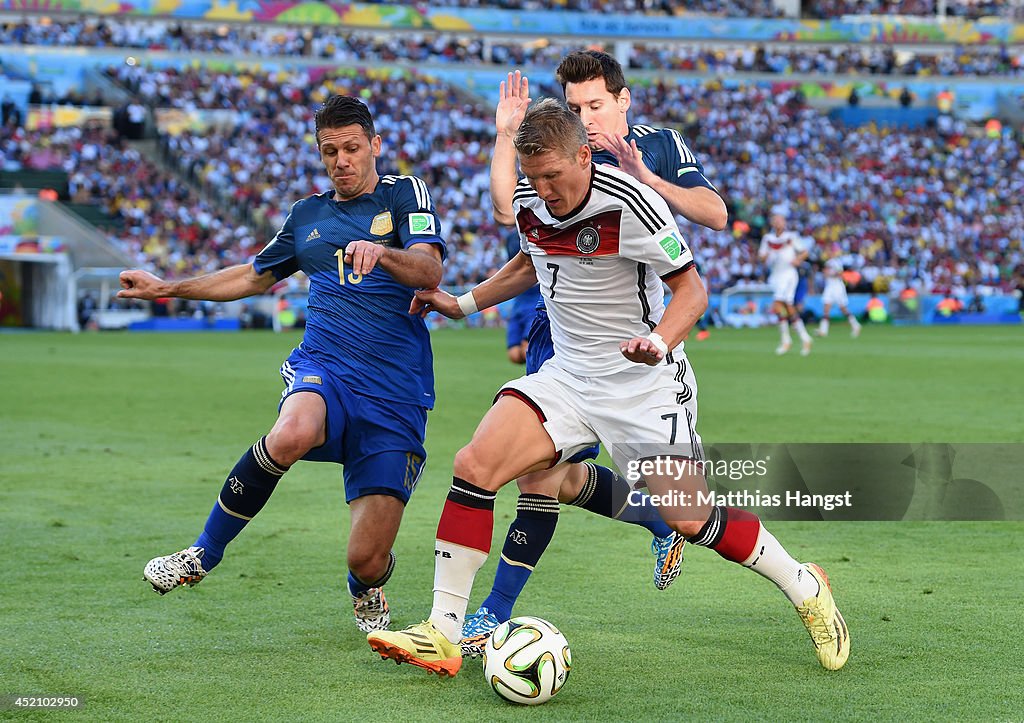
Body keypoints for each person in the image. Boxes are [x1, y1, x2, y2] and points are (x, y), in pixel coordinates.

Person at [367, 100, 849, 676]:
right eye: (533, 177)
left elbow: (692, 293)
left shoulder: (633, 206)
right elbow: (529, 261)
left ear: (584, 155)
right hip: (568, 376)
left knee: (689, 520)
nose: (544, 189)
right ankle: (442, 633)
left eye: (553, 175)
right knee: (475, 464)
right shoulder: (530, 201)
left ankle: (804, 585)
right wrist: (464, 302)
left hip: (644, 385)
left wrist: (661, 341)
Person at [116, 95, 445, 633]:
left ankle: (366, 589)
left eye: (352, 148)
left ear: (376, 146)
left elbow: (429, 270)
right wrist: (166, 287)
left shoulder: (405, 194)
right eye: (330, 150)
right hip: (326, 367)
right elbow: (251, 276)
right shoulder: (307, 215)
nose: (341, 160)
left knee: (366, 558)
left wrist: (382, 252)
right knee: (293, 430)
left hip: (396, 392)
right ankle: (202, 554)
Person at [458, 52, 729, 657]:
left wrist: (644, 176)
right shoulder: (550, 150)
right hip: (557, 326)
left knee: (552, 475)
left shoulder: (654, 145)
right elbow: (512, 219)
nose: (586, 116)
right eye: (575, 106)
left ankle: (494, 610)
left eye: (596, 105)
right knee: (541, 472)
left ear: (623, 100)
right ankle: (494, 611)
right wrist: (506, 136)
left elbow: (715, 214)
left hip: (628, 338)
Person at [758, 214, 813, 356]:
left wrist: (798, 260)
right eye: (775, 220)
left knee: (777, 304)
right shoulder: (768, 239)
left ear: (784, 222)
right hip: (776, 274)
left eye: (780, 220)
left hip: (788, 274)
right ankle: (804, 338)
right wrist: (766, 256)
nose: (777, 223)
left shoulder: (791, 236)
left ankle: (786, 339)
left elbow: (804, 252)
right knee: (787, 307)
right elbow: (762, 256)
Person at [501, 227, 540, 364]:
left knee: (528, 349)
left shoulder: (538, 229)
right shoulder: (511, 237)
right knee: (515, 355)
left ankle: (541, 380)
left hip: (537, 295)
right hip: (519, 297)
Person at [818, 255, 862, 337]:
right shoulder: (828, 262)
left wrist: (830, 273)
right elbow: (825, 273)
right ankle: (823, 330)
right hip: (830, 286)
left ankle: (855, 325)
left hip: (837, 286)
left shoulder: (836, 262)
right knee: (826, 308)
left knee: (843, 308)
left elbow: (840, 273)